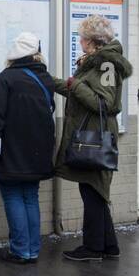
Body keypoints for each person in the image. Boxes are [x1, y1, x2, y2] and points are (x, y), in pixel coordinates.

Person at [51, 14, 132, 262]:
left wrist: (75, 86)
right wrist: (51, 81)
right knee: (94, 190)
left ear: (92, 40)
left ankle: (93, 248)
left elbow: (104, 102)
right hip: (95, 133)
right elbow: (78, 89)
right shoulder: (95, 62)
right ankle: (109, 246)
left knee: (93, 191)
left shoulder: (106, 64)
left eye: (82, 37)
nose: (80, 41)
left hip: (96, 136)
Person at [0, 31, 56, 264]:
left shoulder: (7, 78)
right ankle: (32, 249)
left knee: (13, 195)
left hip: (11, 151)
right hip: (38, 151)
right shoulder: (45, 79)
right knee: (30, 197)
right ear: (37, 54)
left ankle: (20, 250)